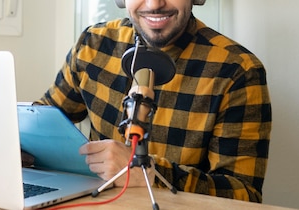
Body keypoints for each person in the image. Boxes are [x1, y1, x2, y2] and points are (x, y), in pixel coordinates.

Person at [33, 0, 271, 203]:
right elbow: (44, 123)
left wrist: (151, 173)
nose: (155, 4)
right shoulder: (92, 45)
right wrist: (22, 144)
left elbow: (244, 194)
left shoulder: (238, 70)